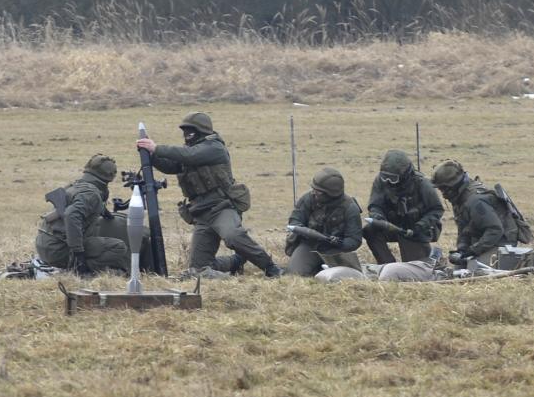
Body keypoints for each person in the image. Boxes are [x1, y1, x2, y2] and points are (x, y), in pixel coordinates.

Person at [137, 112, 283, 277]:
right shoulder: (188, 151)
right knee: (198, 270)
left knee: (233, 237)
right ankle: (235, 262)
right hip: (201, 213)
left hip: (222, 207)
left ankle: (271, 268)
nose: (186, 134)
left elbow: (189, 156)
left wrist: (156, 148)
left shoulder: (214, 148)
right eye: (185, 130)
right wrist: (151, 156)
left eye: (190, 130)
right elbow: (171, 166)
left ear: (202, 130)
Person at [35, 154, 130, 276]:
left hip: (44, 246)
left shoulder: (75, 186)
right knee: (119, 247)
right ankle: (80, 270)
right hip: (59, 250)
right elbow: (71, 216)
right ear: (109, 176)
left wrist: (103, 210)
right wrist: (78, 253)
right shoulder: (91, 194)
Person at [432, 159, 519, 267]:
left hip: (501, 245)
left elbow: (495, 230)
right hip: (483, 242)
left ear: (452, 186)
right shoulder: (460, 198)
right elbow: (464, 229)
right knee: (460, 267)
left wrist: (473, 251)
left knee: (472, 270)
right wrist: (462, 250)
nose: (443, 194)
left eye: (443, 188)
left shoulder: (475, 201)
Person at [363, 149, 444, 264]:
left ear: (404, 174)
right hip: (392, 226)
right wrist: (378, 217)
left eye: (393, 178)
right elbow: (375, 205)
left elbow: (436, 209)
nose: (389, 181)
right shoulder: (380, 181)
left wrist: (420, 226)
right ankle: (387, 265)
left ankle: (431, 258)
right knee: (369, 230)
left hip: (416, 229)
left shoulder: (421, 183)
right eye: (385, 177)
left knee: (414, 267)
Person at [285, 167, 364, 281]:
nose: (314, 192)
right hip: (310, 246)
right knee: (294, 276)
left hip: (335, 251)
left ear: (330, 194)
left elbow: (355, 240)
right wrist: (306, 232)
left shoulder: (350, 208)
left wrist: (338, 242)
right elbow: (295, 220)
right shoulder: (308, 199)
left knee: (343, 278)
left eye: (318, 191)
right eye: (314, 188)